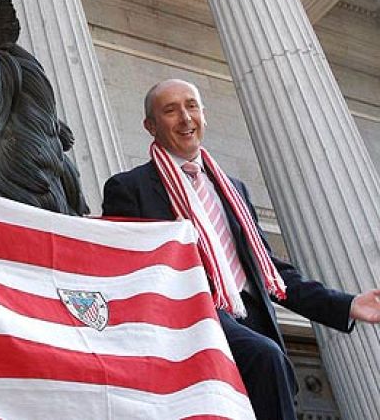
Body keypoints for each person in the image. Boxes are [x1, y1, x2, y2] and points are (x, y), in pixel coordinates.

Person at [101, 78, 380, 420]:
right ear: (151, 126)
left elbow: (272, 275)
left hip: (254, 322)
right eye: (171, 110)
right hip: (192, 320)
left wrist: (349, 304)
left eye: (191, 106)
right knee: (264, 356)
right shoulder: (130, 188)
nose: (186, 118)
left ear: (204, 114)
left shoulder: (234, 189)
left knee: (267, 358)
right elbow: (129, 274)